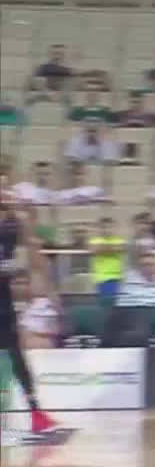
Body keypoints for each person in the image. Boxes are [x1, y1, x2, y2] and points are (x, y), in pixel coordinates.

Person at [0, 183, 58, 434]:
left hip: (4, 301)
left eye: (7, 190)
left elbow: (34, 253)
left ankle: (36, 413)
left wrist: (49, 289)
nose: (6, 194)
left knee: (17, 356)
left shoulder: (13, 224)